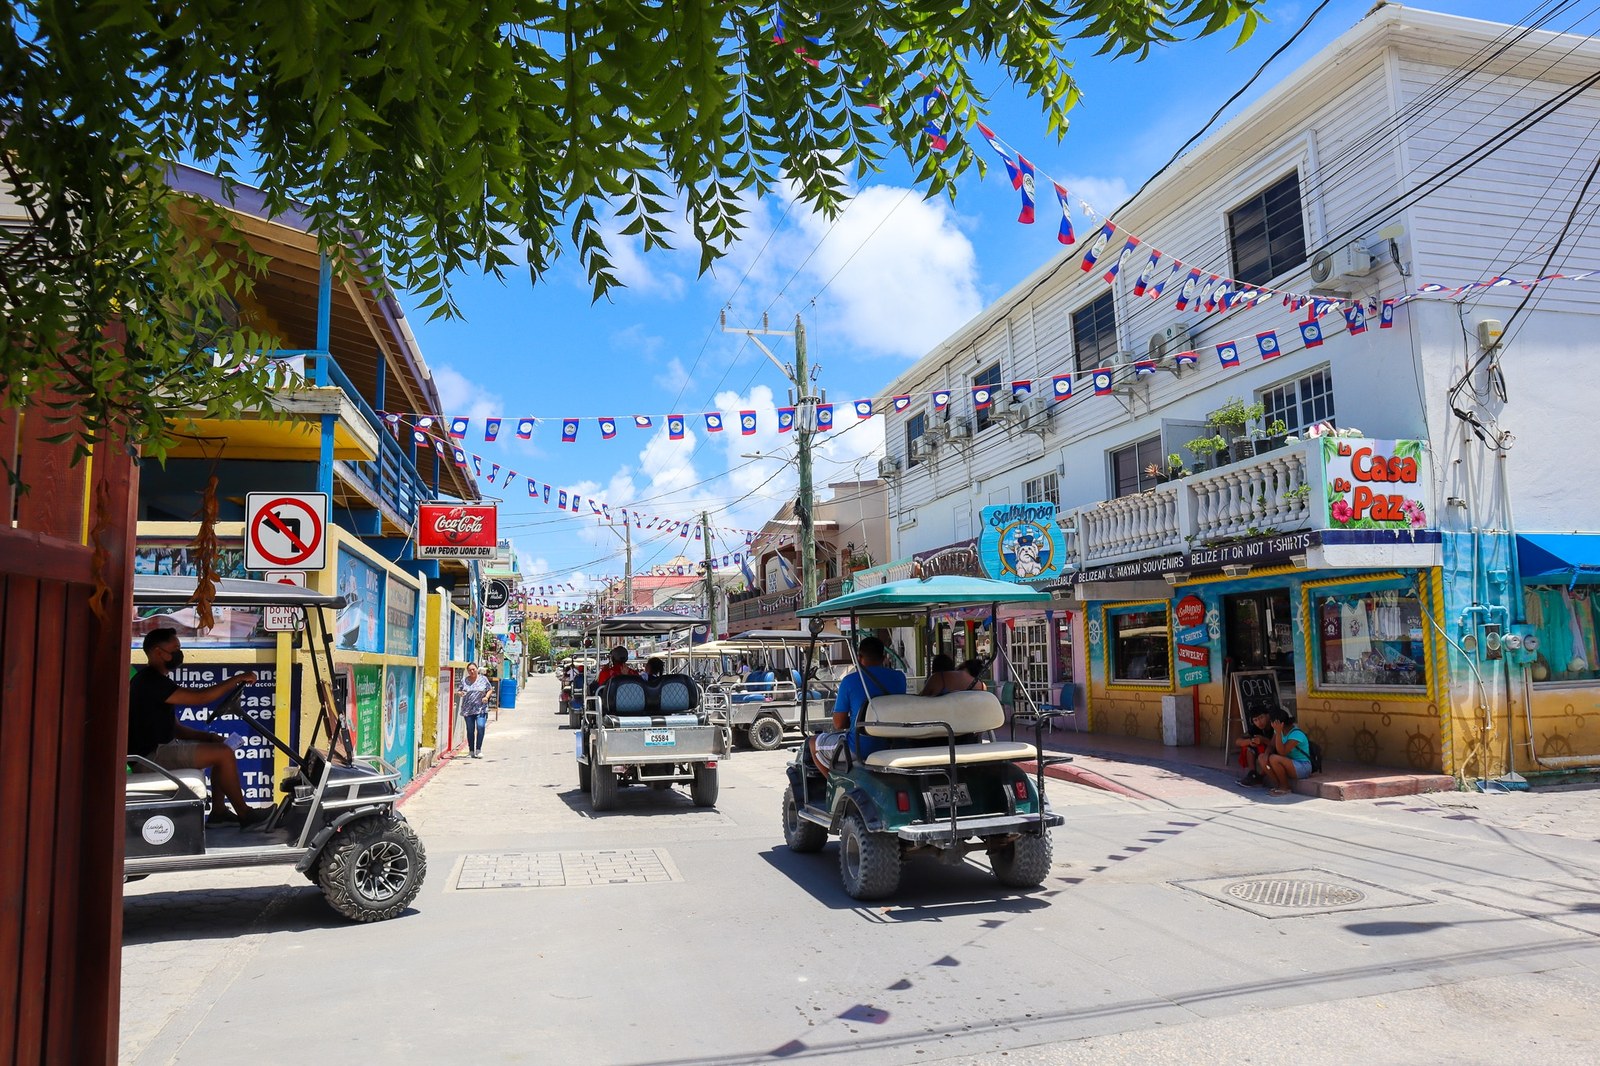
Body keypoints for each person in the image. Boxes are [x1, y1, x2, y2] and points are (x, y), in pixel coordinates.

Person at [127, 628, 270, 827]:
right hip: (151, 758)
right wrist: (236, 679)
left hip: (161, 750)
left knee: (222, 750)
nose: (179, 652)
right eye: (174, 648)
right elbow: (200, 698)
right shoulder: (150, 682)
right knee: (223, 753)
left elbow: (175, 728)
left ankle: (219, 812)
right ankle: (245, 814)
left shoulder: (156, 681)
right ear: (158, 652)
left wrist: (209, 737)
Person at [808, 636, 907, 775]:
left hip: (860, 748)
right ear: (884, 657)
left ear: (859, 657)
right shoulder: (899, 678)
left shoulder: (850, 681)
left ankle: (833, 786)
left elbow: (838, 723)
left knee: (813, 743)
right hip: (893, 743)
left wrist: (858, 720)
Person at [1258, 709, 1313, 795]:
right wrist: (1266, 754)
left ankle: (1285, 786)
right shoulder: (1278, 731)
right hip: (1289, 764)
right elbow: (1271, 746)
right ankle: (1278, 785)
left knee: (1274, 759)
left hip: (1303, 767)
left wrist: (1279, 733)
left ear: (1279, 724)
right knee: (1261, 757)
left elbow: (1282, 752)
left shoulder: (1296, 734)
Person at [459, 661, 492, 759]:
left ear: (477, 669)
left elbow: (490, 689)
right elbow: (460, 690)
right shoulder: (464, 680)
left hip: (481, 708)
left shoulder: (483, 679)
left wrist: (486, 696)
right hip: (467, 709)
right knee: (470, 730)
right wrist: (460, 693)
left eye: (473, 669)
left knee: (481, 727)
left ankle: (478, 749)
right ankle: (471, 751)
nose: (472, 671)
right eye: (469, 670)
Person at [1235, 709, 1274, 787]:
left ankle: (1261, 777)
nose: (1259, 722)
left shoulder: (1274, 725)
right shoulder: (1255, 728)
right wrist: (1251, 741)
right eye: (1255, 720)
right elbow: (1238, 741)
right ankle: (1253, 774)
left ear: (1267, 715)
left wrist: (1263, 740)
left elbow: (1276, 744)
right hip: (1262, 754)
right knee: (1249, 747)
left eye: (1261, 718)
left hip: (1274, 752)